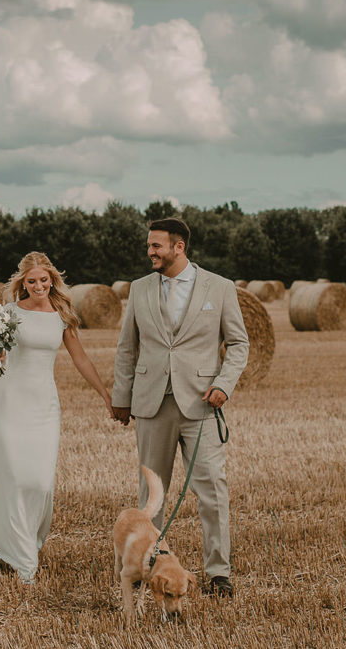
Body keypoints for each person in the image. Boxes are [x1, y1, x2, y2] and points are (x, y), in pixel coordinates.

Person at [0, 251, 118, 584]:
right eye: (32, 281)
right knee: (14, 476)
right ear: (23, 283)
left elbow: (82, 360)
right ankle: (23, 561)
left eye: (44, 280)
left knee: (40, 482)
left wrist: (105, 393)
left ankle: (12, 544)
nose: (39, 285)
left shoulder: (62, 316)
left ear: (52, 280)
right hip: (9, 403)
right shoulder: (7, 314)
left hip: (44, 407)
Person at [111, 217, 249, 597]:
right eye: (149, 245)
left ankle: (219, 572)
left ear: (179, 247)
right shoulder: (138, 289)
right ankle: (145, 568)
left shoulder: (219, 288)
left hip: (202, 404)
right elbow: (127, 348)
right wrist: (121, 398)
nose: (150, 252)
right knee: (151, 495)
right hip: (151, 403)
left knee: (212, 491)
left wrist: (224, 384)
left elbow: (238, 344)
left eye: (156, 246)